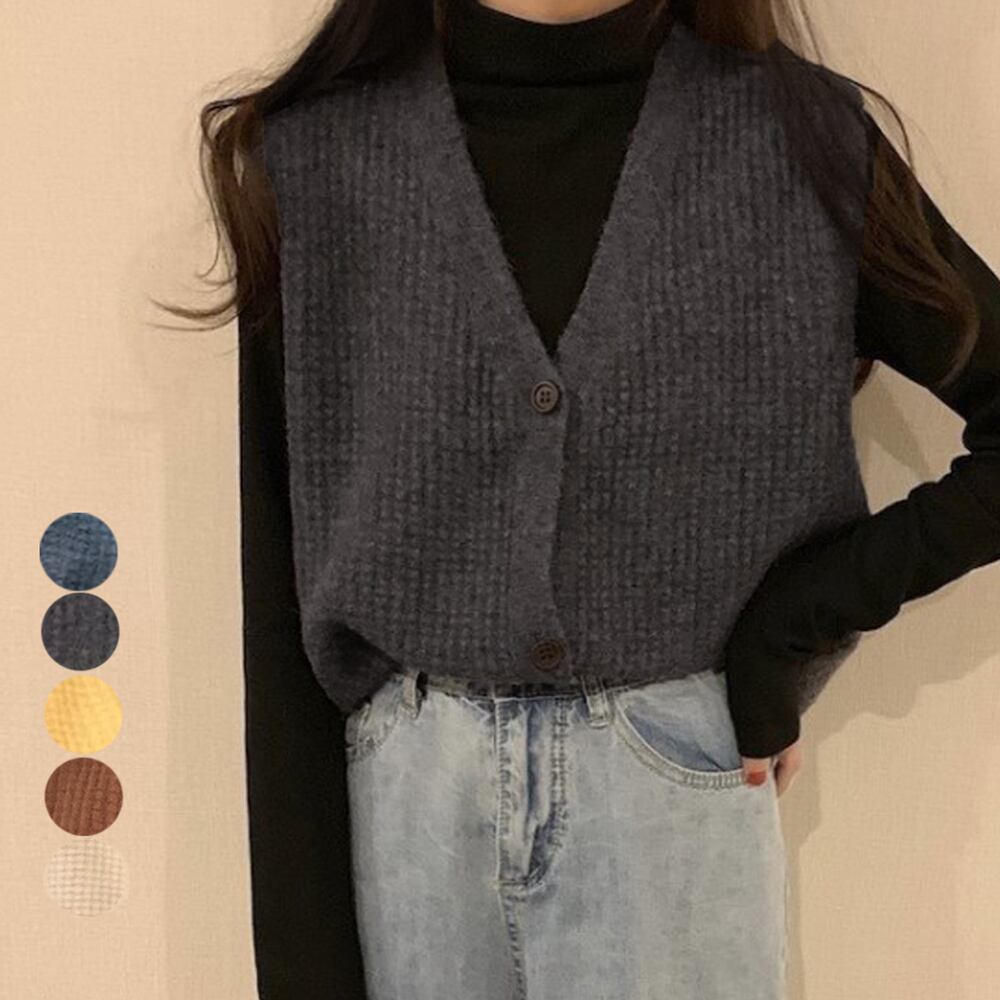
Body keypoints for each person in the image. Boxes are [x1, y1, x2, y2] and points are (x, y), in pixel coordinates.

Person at [164, 0, 1000, 996]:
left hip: (674, 788)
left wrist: (790, 626)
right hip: (406, 803)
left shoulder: (800, 142)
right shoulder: (317, 154)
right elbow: (281, 583)